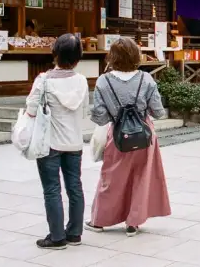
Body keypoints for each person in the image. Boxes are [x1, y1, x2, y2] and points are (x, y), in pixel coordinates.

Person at [85, 37, 171, 237]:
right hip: (144, 135)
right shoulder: (146, 79)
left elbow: (99, 116)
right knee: (141, 177)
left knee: (111, 177)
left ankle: (100, 220)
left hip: (117, 134)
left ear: (112, 57)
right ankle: (133, 222)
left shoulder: (103, 81)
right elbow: (158, 112)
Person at [26, 34, 89, 250]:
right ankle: (74, 233)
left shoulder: (43, 80)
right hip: (74, 142)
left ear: (55, 54)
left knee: (52, 189)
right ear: (77, 58)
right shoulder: (81, 80)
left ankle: (56, 236)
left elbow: (31, 110)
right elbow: (84, 109)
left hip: (50, 143)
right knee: (75, 187)